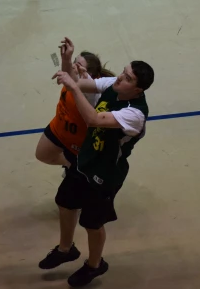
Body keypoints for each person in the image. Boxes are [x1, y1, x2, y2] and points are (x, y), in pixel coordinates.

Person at [40, 58, 155, 287]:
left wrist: (73, 86)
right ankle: (66, 249)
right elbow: (78, 84)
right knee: (65, 202)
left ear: (138, 90)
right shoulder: (115, 84)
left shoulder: (135, 114)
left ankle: (94, 265)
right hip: (87, 159)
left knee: (92, 223)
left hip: (106, 173)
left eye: (128, 78)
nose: (121, 77)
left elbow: (93, 119)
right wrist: (67, 60)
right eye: (124, 72)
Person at [36, 38, 114, 168]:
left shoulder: (92, 94)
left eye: (77, 65)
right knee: (42, 155)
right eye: (74, 62)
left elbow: (76, 82)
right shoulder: (72, 78)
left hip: (79, 142)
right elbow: (69, 73)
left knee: (79, 175)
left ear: (87, 74)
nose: (73, 66)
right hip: (59, 128)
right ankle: (67, 164)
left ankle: (72, 166)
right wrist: (66, 58)